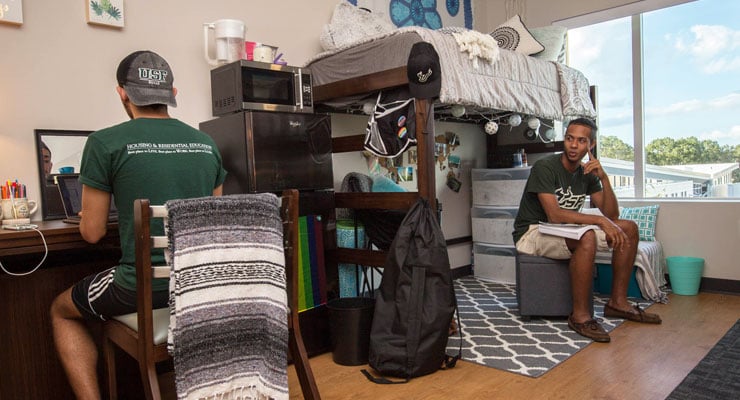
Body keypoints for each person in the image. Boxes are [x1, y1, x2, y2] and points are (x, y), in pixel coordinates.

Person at [50, 50, 227, 398]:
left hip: (143, 290)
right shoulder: (207, 145)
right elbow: (215, 224)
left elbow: (92, 233)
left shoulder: (104, 143)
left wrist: (90, 214)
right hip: (198, 286)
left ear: (123, 93)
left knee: (60, 310)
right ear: (173, 94)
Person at [512, 118, 660, 343]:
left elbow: (612, 214)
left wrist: (603, 178)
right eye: (570, 138)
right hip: (533, 232)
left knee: (629, 228)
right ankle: (580, 317)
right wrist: (597, 222)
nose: (573, 145)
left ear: (590, 145)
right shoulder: (545, 166)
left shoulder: (587, 173)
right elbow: (554, 215)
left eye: (581, 141)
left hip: (566, 230)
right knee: (587, 236)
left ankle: (617, 303)